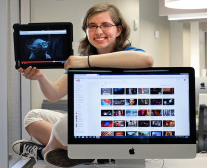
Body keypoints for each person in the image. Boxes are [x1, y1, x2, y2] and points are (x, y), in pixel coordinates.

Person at [12, 2, 153, 167]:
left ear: (118, 30)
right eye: (92, 26)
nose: (98, 31)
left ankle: (44, 152)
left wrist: (85, 61)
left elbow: (146, 60)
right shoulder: (81, 59)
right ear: (86, 30)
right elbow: (54, 94)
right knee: (32, 116)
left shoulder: (126, 55)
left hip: (116, 125)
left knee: (67, 124)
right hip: (87, 124)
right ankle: (86, 153)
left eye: (105, 25)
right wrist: (40, 77)